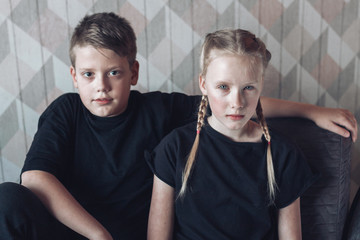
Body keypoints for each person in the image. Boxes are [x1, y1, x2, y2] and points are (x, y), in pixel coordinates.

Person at [0, 12, 356, 240]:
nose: (101, 87)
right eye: (89, 75)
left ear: (133, 73)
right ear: (75, 77)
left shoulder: (159, 110)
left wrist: (310, 112)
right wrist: (96, 234)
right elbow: (34, 177)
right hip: (72, 230)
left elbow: (231, 106)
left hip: (128, 233)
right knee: (7, 198)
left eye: (114, 73)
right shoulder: (67, 111)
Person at [146, 29, 319, 239]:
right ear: (203, 84)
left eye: (248, 87)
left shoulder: (283, 154)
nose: (237, 103)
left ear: (261, 85)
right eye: (223, 87)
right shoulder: (175, 148)